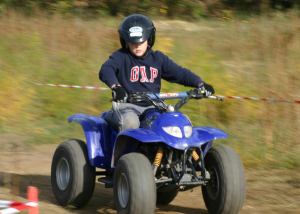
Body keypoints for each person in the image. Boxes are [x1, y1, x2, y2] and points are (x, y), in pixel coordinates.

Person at [99, 14, 214, 132]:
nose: (137, 45)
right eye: (133, 42)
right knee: (130, 123)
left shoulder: (158, 58)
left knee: (181, 122)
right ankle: (126, 151)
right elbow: (106, 69)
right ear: (125, 41)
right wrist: (116, 87)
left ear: (150, 39)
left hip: (155, 106)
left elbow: (180, 73)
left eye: (142, 41)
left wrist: (200, 84)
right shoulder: (121, 56)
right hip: (127, 106)